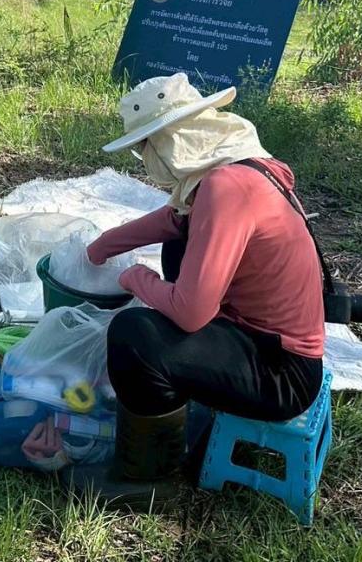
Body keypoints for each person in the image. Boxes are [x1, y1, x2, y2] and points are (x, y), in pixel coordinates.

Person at [56, 72, 325, 500]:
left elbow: (191, 312)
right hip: (263, 338)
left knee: (134, 335)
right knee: (176, 248)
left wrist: (134, 278)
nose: (147, 160)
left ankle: (146, 478)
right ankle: (176, 398)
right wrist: (103, 246)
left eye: (147, 148)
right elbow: (174, 221)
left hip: (281, 373)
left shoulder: (226, 188)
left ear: (170, 142)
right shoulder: (241, 168)